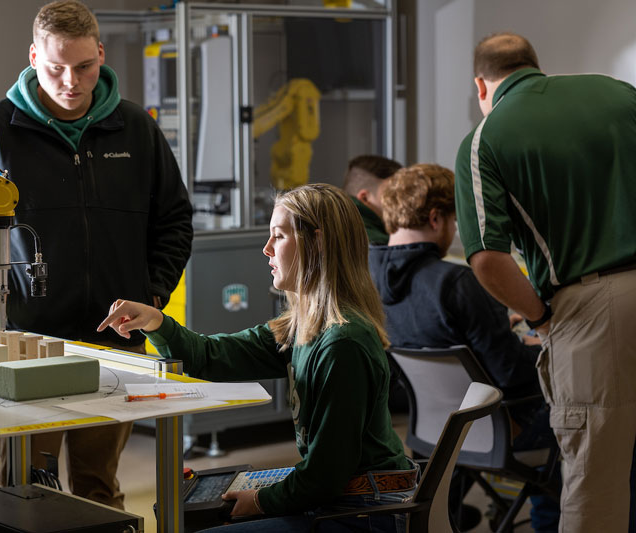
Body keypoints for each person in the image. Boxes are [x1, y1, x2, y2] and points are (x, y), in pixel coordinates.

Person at [0, 0, 193, 509]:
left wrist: (151, 291)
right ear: (32, 57)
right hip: (26, 347)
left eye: (84, 67)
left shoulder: (136, 128)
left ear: (101, 52)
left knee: (98, 489)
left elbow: (175, 221)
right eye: (55, 68)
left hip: (115, 343)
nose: (70, 81)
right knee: (29, 489)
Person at [99, 184, 415, 532]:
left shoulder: (343, 343)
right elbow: (210, 356)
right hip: (341, 498)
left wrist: (262, 500)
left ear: (318, 242)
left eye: (278, 237)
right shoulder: (303, 329)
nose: (266, 250)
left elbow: (325, 476)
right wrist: (155, 321)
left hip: (363, 511)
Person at [454, 31, 636, 532]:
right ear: (534, 66)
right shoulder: (619, 93)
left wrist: (541, 318)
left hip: (594, 307)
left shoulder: (484, 139)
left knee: (593, 481)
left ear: (481, 85)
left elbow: (488, 259)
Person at [369, 163, 559, 531]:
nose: (455, 230)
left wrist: (490, 328)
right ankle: (549, 523)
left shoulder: (367, 282)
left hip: (432, 432)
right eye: (455, 222)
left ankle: (452, 514)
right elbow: (512, 374)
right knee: (583, 417)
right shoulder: (457, 282)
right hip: (495, 428)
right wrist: (547, 347)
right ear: (437, 218)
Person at [342, 155, 402, 245]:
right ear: (365, 198)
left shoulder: (337, 227)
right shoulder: (379, 245)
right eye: (393, 193)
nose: (403, 200)